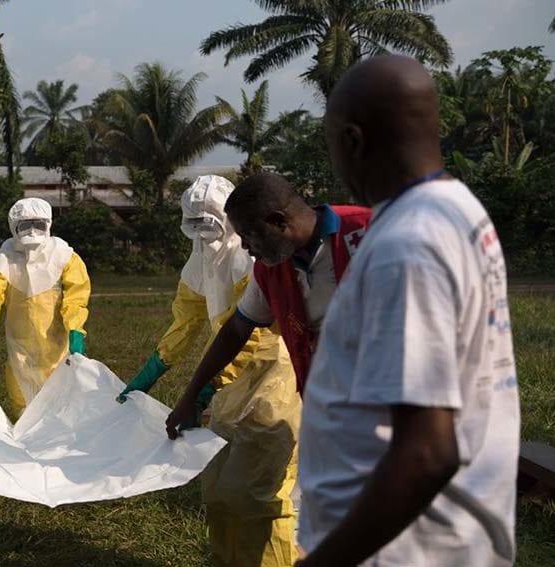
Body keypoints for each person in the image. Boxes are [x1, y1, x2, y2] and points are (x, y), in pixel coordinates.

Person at [294, 55, 520, 567]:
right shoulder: (457, 209)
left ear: (353, 141)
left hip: (404, 550)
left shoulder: (408, 245)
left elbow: (427, 452)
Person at [119, 176, 301, 567]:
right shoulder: (201, 257)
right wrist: (153, 370)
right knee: (218, 488)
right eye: (194, 223)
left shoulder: (248, 256)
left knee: (261, 493)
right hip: (228, 383)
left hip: (271, 379)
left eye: (210, 222)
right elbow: (187, 319)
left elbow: (250, 330)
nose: (203, 232)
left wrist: (206, 386)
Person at [164, 172, 371, 439]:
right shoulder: (271, 271)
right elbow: (237, 328)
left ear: (278, 221)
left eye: (250, 237)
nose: (247, 248)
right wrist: (192, 394)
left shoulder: (368, 232)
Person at [0, 198, 90, 417]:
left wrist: (75, 329)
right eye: (25, 225)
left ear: (49, 224)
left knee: (58, 400)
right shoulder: (5, 257)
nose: (32, 232)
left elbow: (76, 296)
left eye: (38, 225)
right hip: (19, 346)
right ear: (13, 226)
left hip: (56, 344)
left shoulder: (64, 255)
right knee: (21, 398)